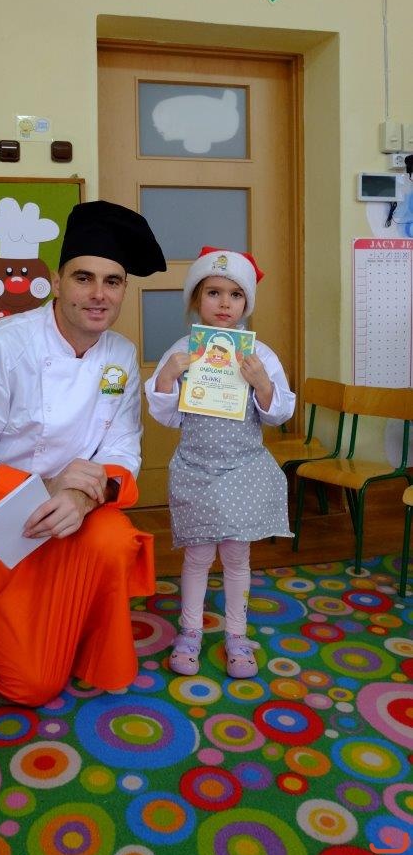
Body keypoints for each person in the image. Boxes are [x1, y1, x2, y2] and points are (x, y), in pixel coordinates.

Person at [0, 200, 166, 705]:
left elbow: (122, 446)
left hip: (72, 511)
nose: (98, 294)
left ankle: (65, 625)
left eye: (113, 281)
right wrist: (45, 489)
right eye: (83, 278)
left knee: (114, 540)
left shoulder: (120, 354)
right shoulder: (0, 346)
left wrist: (82, 497)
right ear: (56, 283)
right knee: (31, 685)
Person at [145, 247, 295, 679]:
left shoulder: (259, 355)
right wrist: (168, 376)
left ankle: (236, 635)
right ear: (196, 299)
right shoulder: (182, 351)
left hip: (243, 469)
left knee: (236, 557)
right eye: (213, 292)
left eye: (235, 294)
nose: (225, 303)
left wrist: (262, 384)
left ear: (247, 303)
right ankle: (190, 632)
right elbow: (168, 416)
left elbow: (278, 413)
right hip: (195, 469)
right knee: (196, 557)